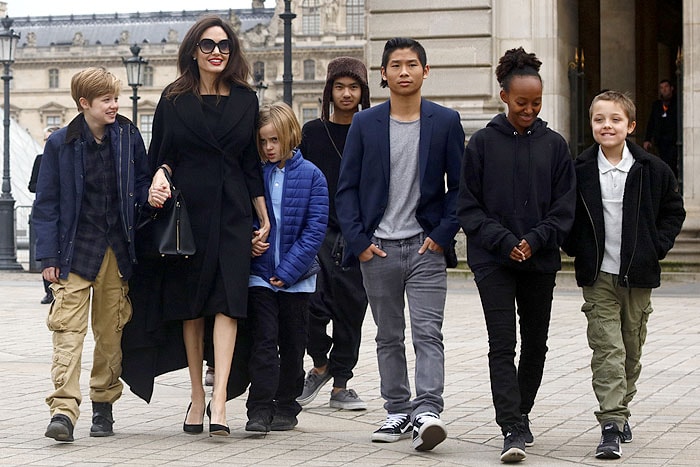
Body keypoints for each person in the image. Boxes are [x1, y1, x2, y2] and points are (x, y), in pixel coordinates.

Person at [121, 15, 270, 437]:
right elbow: (162, 155)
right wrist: (159, 175)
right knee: (191, 307)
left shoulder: (246, 98)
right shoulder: (173, 98)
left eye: (224, 45)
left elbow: (249, 163)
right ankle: (196, 395)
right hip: (187, 214)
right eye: (208, 45)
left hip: (233, 210)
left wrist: (264, 215)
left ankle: (220, 398)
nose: (217, 52)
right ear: (193, 51)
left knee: (228, 302)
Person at [336, 37, 464, 452]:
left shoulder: (445, 121)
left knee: (429, 333)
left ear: (426, 72)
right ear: (384, 74)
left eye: (412, 64)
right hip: (379, 248)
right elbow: (347, 189)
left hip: (426, 246)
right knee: (388, 334)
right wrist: (359, 242)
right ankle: (397, 410)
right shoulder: (364, 123)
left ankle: (428, 411)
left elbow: (459, 189)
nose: (404, 71)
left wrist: (442, 236)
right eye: (396, 65)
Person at [457, 47, 576, 463]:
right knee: (502, 342)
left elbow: (565, 208)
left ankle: (520, 413)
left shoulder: (556, 146)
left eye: (536, 103)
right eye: (522, 102)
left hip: (540, 259)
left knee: (537, 345)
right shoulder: (483, 144)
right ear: (504, 95)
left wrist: (537, 239)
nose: (529, 109)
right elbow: (468, 206)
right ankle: (510, 425)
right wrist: (506, 240)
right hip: (494, 260)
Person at [562, 90, 685, 459]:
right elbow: (563, 213)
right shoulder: (579, 170)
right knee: (607, 349)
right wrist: (576, 248)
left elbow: (673, 212)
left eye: (615, 119)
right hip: (598, 275)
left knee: (631, 351)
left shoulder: (651, 169)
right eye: (599, 119)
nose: (607, 125)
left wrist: (656, 246)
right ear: (591, 124)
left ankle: (621, 408)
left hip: (638, 275)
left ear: (630, 126)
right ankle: (611, 423)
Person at [32, 67, 150, 442]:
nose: (115, 105)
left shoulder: (128, 135)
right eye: (107, 100)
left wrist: (153, 191)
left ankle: (104, 405)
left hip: (117, 249)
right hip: (73, 250)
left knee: (111, 332)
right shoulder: (61, 143)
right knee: (67, 331)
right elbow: (46, 203)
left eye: (115, 98)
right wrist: (47, 256)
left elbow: (143, 182)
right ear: (85, 104)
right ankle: (63, 411)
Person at [245, 102, 328, 433]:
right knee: (263, 342)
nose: (268, 148)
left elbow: (315, 229)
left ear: (290, 136)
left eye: (274, 140)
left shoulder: (312, 177)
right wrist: (248, 244)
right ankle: (259, 407)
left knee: (293, 344)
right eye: (263, 141)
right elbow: (245, 217)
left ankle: (287, 403)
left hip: (297, 281)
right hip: (260, 276)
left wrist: (290, 270)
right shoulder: (254, 174)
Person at [296, 56, 370, 410]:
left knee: (351, 310)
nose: (346, 94)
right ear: (329, 91)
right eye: (339, 87)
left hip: (358, 233)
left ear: (363, 91)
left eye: (353, 87)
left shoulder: (372, 130)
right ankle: (320, 364)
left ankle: (341, 384)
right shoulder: (312, 132)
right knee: (310, 305)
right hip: (316, 232)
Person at [28, 125, 60, 305]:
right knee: (44, 247)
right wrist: (45, 187)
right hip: (44, 205)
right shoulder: (40, 159)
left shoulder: (66, 157)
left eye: (50, 139)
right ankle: (48, 290)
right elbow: (31, 185)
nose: (48, 143)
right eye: (46, 139)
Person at [643, 80, 678, 177]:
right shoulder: (657, 105)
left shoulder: (677, 103)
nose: (664, 90)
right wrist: (647, 139)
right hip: (660, 142)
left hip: (674, 141)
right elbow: (651, 122)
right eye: (661, 88)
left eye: (666, 87)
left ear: (671, 88)